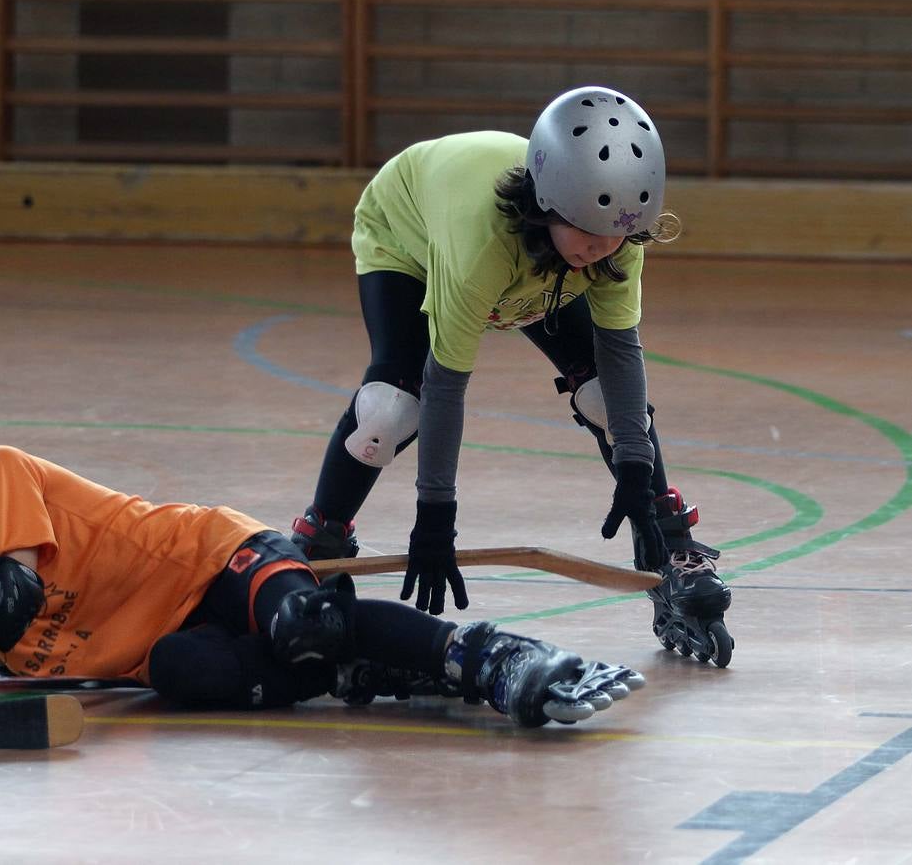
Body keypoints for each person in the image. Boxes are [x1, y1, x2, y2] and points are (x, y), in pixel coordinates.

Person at [0, 387, 645, 727]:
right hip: (167, 640)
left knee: (300, 620)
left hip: (214, 557)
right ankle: (357, 665)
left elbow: (12, 593)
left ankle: (490, 657)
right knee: (184, 675)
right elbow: (45, 663)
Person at [288, 85, 733, 666]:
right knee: (389, 411)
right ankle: (320, 539)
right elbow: (446, 385)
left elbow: (622, 359)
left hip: (537, 261)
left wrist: (635, 471)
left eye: (617, 235)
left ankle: (671, 546)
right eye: (588, 231)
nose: (602, 248)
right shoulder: (482, 246)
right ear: (548, 202)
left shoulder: (610, 237)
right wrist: (435, 517)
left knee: (604, 396)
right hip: (409, 240)